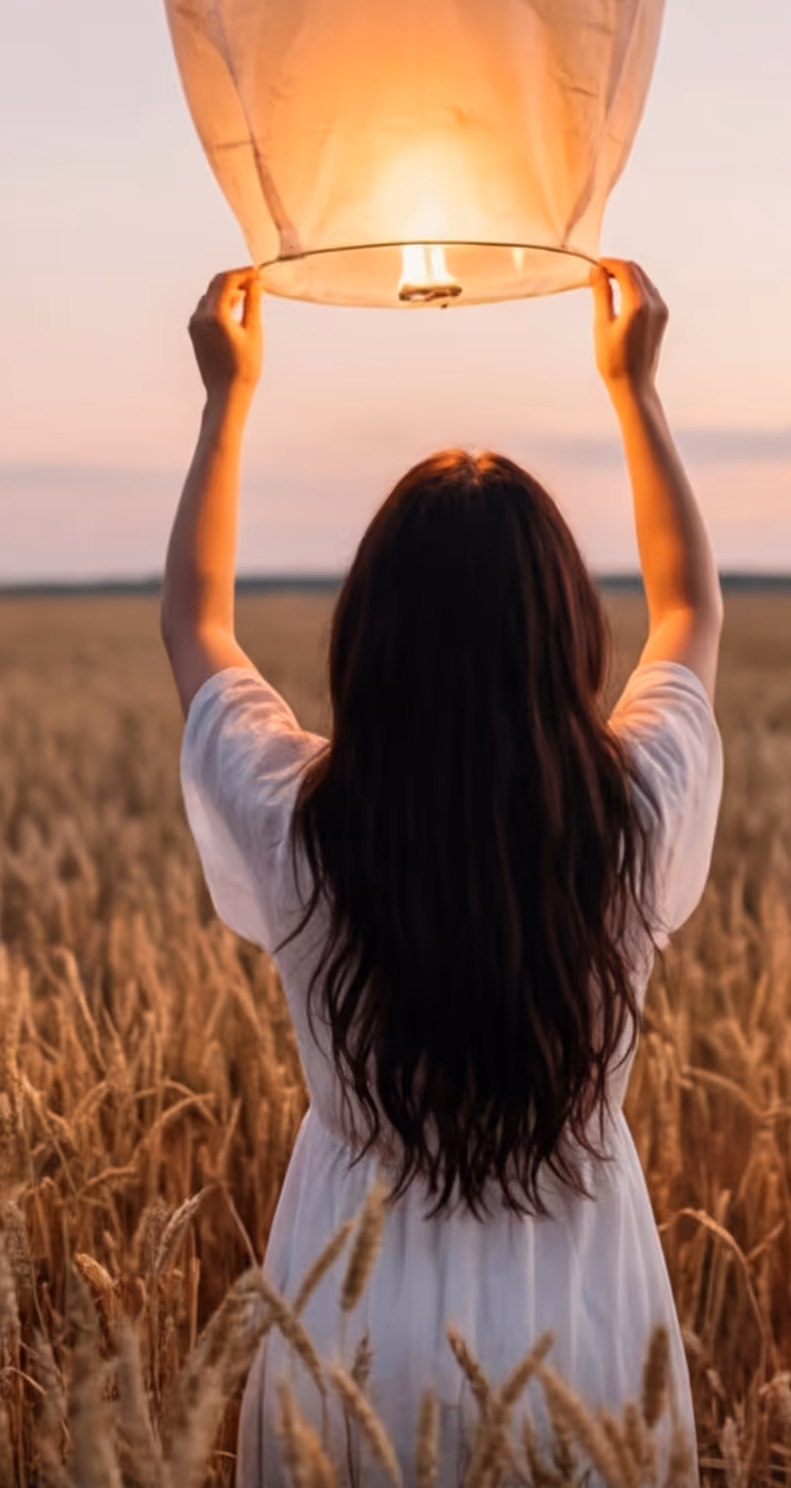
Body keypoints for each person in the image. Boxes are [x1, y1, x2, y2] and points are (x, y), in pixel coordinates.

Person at [161, 260, 725, 1487]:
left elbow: (197, 627)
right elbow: (690, 613)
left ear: (369, 638)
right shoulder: (630, 816)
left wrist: (227, 399)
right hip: (580, 1325)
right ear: (567, 629)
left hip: (350, 1329)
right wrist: (636, 390)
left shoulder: (300, 824)